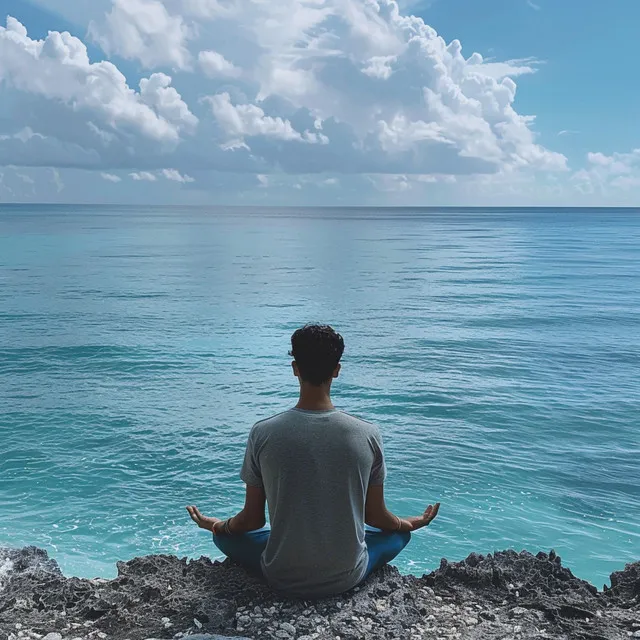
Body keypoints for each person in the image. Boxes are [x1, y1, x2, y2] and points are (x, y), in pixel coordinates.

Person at [187, 324, 440, 599]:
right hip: (347, 577)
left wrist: (218, 526)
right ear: (337, 370)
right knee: (398, 536)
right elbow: (376, 517)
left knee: (224, 537)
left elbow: (251, 520)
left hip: (280, 575)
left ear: (295, 368)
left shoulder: (263, 433)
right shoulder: (368, 434)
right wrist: (409, 524)